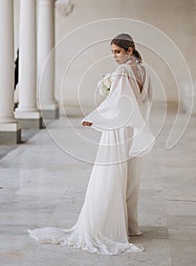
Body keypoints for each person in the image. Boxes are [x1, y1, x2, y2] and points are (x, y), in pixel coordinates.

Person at [28, 33, 155, 255]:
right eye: (112, 52)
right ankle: (128, 225)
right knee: (128, 176)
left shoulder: (123, 71)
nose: (114, 56)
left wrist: (93, 117)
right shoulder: (144, 69)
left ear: (130, 49)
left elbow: (115, 102)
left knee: (109, 174)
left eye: (117, 51)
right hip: (131, 129)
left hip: (117, 129)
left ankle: (105, 226)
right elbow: (142, 101)